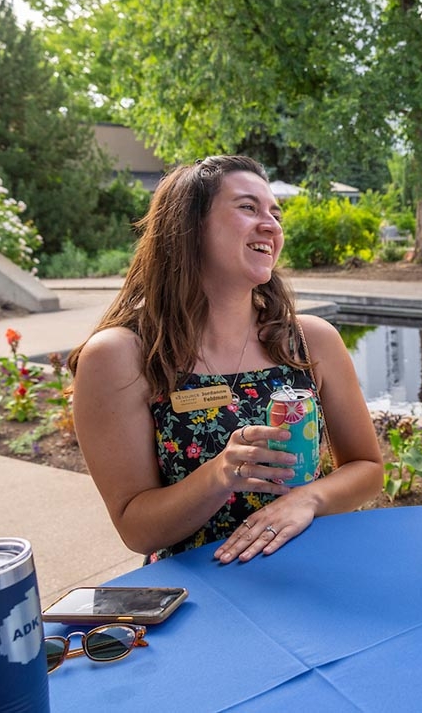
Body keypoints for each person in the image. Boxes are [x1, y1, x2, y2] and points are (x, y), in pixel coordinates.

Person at [68, 155, 383, 564]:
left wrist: (309, 498)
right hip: (203, 592)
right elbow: (136, 528)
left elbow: (367, 467)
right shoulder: (120, 356)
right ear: (188, 226)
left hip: (312, 569)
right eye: (247, 208)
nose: (270, 224)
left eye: (275, 212)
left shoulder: (310, 340)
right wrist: (219, 475)